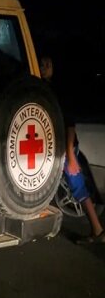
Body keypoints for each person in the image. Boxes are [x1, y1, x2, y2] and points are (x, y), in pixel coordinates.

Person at [40, 55, 105, 244]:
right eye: (42, 64)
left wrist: (70, 154)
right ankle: (97, 231)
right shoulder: (44, 89)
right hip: (54, 147)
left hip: (65, 147)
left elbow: (70, 125)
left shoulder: (59, 91)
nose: (44, 68)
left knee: (78, 188)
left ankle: (98, 230)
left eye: (48, 65)